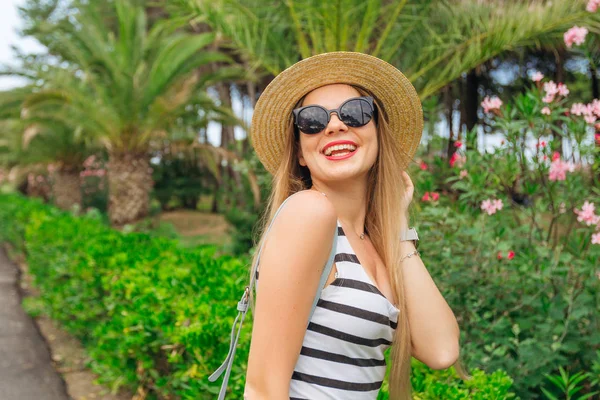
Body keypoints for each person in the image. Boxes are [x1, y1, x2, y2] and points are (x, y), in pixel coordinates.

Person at [244, 52, 469, 400]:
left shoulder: (371, 243)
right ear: (301, 153)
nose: (335, 126)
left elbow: (441, 350)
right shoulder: (309, 214)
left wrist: (397, 230)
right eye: (312, 120)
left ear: (378, 132)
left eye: (356, 112)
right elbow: (262, 390)